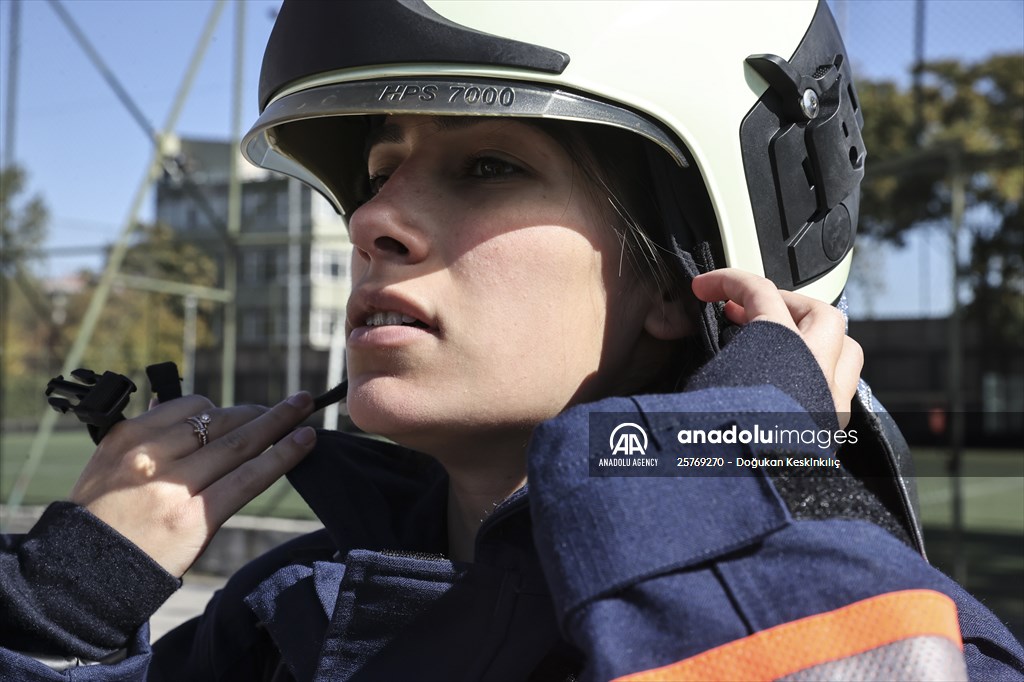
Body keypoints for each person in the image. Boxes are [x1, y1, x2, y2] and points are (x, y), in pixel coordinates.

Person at [2, 1, 1022, 680]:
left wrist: (706, 463)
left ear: (680, 279)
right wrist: (58, 610)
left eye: (486, 166)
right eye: (378, 170)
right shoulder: (288, 619)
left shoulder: (894, 631)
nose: (369, 221)